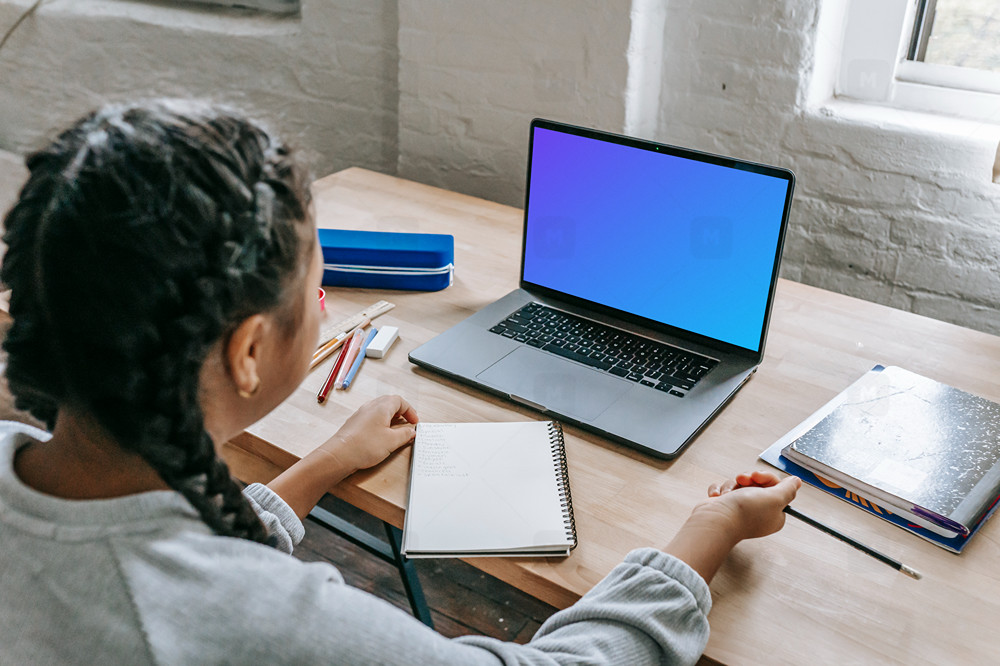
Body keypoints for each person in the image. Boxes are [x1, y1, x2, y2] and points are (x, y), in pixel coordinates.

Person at [0, 100, 801, 665]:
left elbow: (162, 544)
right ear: (248, 352)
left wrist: (318, 466)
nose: (322, 302)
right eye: (316, 281)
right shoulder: (263, 620)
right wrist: (710, 530)